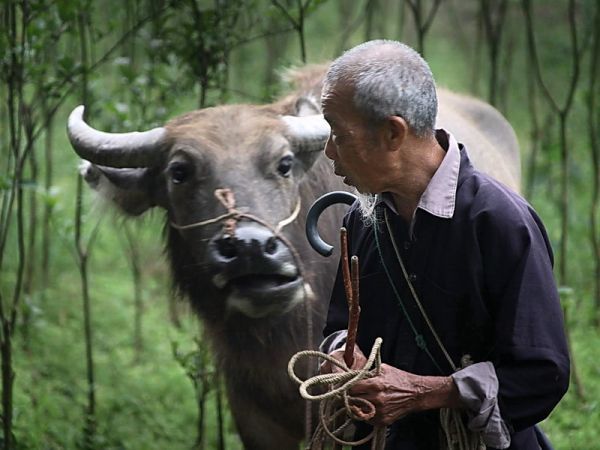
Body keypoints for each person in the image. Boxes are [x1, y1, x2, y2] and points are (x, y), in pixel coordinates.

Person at [319, 40, 570, 450]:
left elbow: (542, 373)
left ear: (392, 132)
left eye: (339, 134)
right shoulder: (362, 219)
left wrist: (426, 392)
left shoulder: (500, 222)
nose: (330, 152)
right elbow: (337, 327)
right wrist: (346, 358)